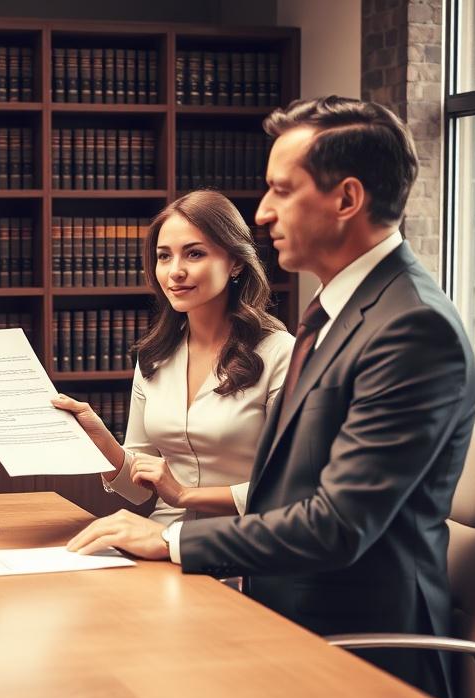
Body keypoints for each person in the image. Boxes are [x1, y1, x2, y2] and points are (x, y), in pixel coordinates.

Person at [66, 96, 475, 698]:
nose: (262, 214)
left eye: (282, 191)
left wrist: (175, 538)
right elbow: (285, 485)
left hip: (353, 647)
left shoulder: (412, 327)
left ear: (346, 200)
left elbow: (337, 524)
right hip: (278, 605)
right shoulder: (336, 313)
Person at [52, 189, 295, 526]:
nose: (174, 271)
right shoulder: (154, 356)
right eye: (164, 256)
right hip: (162, 538)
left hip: (245, 544)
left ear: (236, 262)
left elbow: (291, 487)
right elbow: (139, 490)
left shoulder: (280, 353)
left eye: (194, 254)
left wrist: (183, 494)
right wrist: (101, 440)